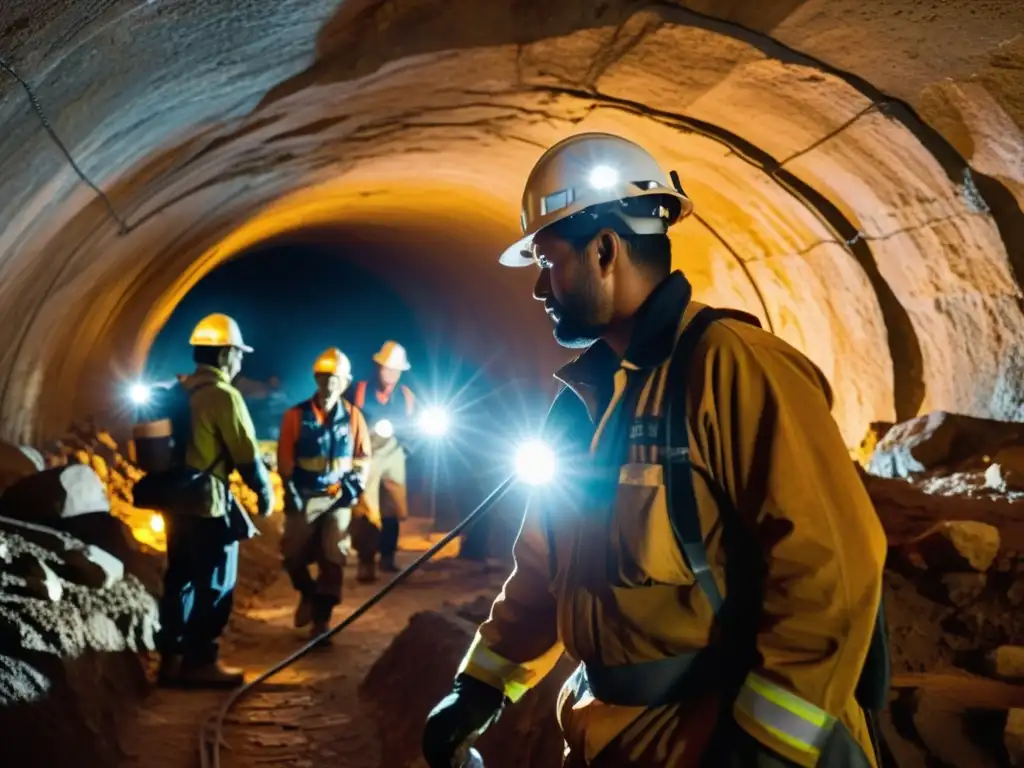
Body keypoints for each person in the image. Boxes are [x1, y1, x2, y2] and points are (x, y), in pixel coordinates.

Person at [422, 133, 888, 767]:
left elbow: (831, 564)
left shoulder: (733, 368)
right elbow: (544, 569)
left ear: (606, 250)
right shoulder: (580, 401)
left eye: (550, 260)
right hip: (608, 732)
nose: (538, 287)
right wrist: (478, 686)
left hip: (711, 731)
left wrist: (768, 745)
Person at [157, 313, 274, 689]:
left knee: (180, 579)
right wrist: (264, 491)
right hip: (208, 503)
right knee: (215, 583)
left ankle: (171, 659)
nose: (240, 361)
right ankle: (200, 660)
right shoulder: (224, 396)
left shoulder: (179, 392)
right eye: (237, 353)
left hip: (175, 500)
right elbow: (245, 454)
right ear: (224, 354)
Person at [277, 348, 371, 642]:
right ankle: (307, 593)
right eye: (324, 377)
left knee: (333, 557)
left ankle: (321, 620)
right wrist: (290, 490)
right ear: (315, 379)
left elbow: (362, 458)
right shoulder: (296, 415)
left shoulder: (354, 417)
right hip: (305, 494)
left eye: (335, 378)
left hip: (337, 496)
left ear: (345, 382)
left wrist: (352, 488)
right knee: (292, 553)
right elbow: (285, 457)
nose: (329, 384)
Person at [349, 341, 416, 582]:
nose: (391, 375)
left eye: (396, 370)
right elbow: (348, 421)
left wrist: (407, 449)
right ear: (378, 367)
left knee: (393, 506)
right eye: (387, 369)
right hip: (367, 452)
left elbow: (415, 428)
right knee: (367, 508)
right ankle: (366, 560)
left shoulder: (407, 397)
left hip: (394, 451)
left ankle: (387, 557)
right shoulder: (360, 390)